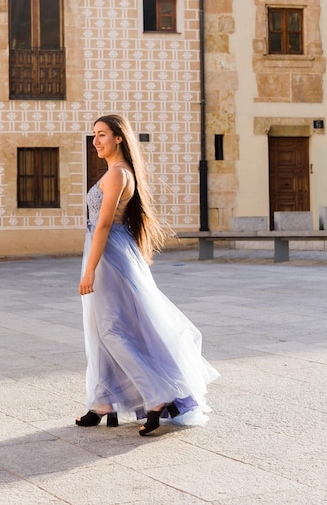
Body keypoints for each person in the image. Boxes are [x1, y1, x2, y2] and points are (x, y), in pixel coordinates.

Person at [76, 114, 219, 436]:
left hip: (108, 255)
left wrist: (89, 270)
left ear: (118, 138)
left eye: (102, 135)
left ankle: (157, 396)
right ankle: (103, 403)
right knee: (102, 329)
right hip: (111, 250)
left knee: (111, 330)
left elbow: (102, 224)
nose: (96, 141)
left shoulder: (117, 174)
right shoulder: (119, 172)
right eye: (94, 135)